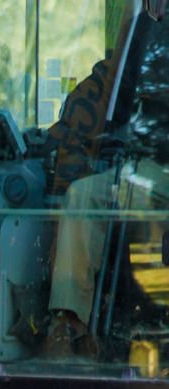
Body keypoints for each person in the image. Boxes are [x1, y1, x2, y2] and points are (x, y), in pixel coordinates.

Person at [47, 7, 169, 356]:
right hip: (144, 161)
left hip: (153, 171)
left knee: (129, 190)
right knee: (83, 194)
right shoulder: (143, 33)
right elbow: (118, 96)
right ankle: (71, 324)